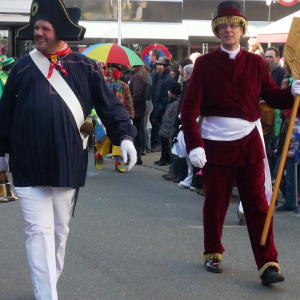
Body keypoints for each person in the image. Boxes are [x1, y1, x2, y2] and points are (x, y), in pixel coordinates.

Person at [0, 1, 137, 299]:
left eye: (44, 28)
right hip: (27, 163)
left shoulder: (84, 66)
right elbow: (4, 115)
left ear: (59, 31)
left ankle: (48, 283)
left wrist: (125, 136)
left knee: (59, 233)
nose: (37, 33)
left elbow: (110, 107)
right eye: (35, 27)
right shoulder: (22, 67)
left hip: (67, 163)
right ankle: (46, 294)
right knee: (38, 231)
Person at [181, 0, 300, 285]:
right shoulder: (206, 64)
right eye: (223, 26)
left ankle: (268, 263)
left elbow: (272, 97)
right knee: (215, 203)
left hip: (249, 143)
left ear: (242, 29)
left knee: (259, 205)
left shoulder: (256, 62)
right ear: (217, 31)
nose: (228, 30)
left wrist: (293, 92)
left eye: (233, 25)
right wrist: (194, 144)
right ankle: (212, 252)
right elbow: (189, 109)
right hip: (215, 145)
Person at [95, 66, 135, 172]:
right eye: (109, 72)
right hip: (105, 117)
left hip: (120, 117)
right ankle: (98, 155)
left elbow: (128, 101)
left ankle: (117, 162)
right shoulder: (103, 85)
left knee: (118, 138)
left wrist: (130, 115)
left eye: (113, 72)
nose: (111, 74)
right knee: (105, 139)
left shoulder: (123, 86)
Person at [274, 109, 300, 212]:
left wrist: (293, 150)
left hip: (291, 152)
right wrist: (278, 148)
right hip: (283, 151)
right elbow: (282, 136)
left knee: (290, 178)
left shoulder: (296, 121)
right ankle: (291, 197)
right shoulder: (285, 121)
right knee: (277, 174)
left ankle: (290, 203)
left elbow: (297, 137)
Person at [152, 57, 174, 157]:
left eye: (158, 65)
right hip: (159, 108)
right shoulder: (161, 77)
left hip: (163, 110)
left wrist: (161, 107)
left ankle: (165, 157)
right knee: (162, 134)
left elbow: (166, 95)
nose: (156, 67)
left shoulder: (167, 78)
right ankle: (163, 157)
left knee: (164, 135)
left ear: (163, 66)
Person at [155, 81, 181, 166]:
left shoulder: (176, 103)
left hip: (169, 127)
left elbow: (173, 117)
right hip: (165, 125)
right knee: (163, 142)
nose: (167, 92)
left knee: (167, 144)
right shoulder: (171, 101)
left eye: (169, 91)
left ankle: (166, 159)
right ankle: (163, 158)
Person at [128, 65, 147, 165]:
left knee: (136, 133)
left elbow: (137, 93)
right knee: (136, 132)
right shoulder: (137, 75)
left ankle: (136, 156)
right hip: (136, 110)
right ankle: (135, 156)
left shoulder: (137, 76)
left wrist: (130, 105)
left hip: (136, 111)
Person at [148, 49, 161, 152]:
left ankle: (156, 143)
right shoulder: (152, 68)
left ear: (155, 57)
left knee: (155, 121)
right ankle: (155, 142)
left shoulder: (156, 70)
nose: (148, 57)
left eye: (150, 55)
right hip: (154, 98)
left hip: (156, 99)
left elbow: (155, 85)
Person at [141, 62, 153, 155]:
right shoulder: (148, 75)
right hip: (149, 104)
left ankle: (146, 147)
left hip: (146, 104)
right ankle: (147, 146)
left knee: (144, 126)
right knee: (146, 126)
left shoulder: (145, 76)